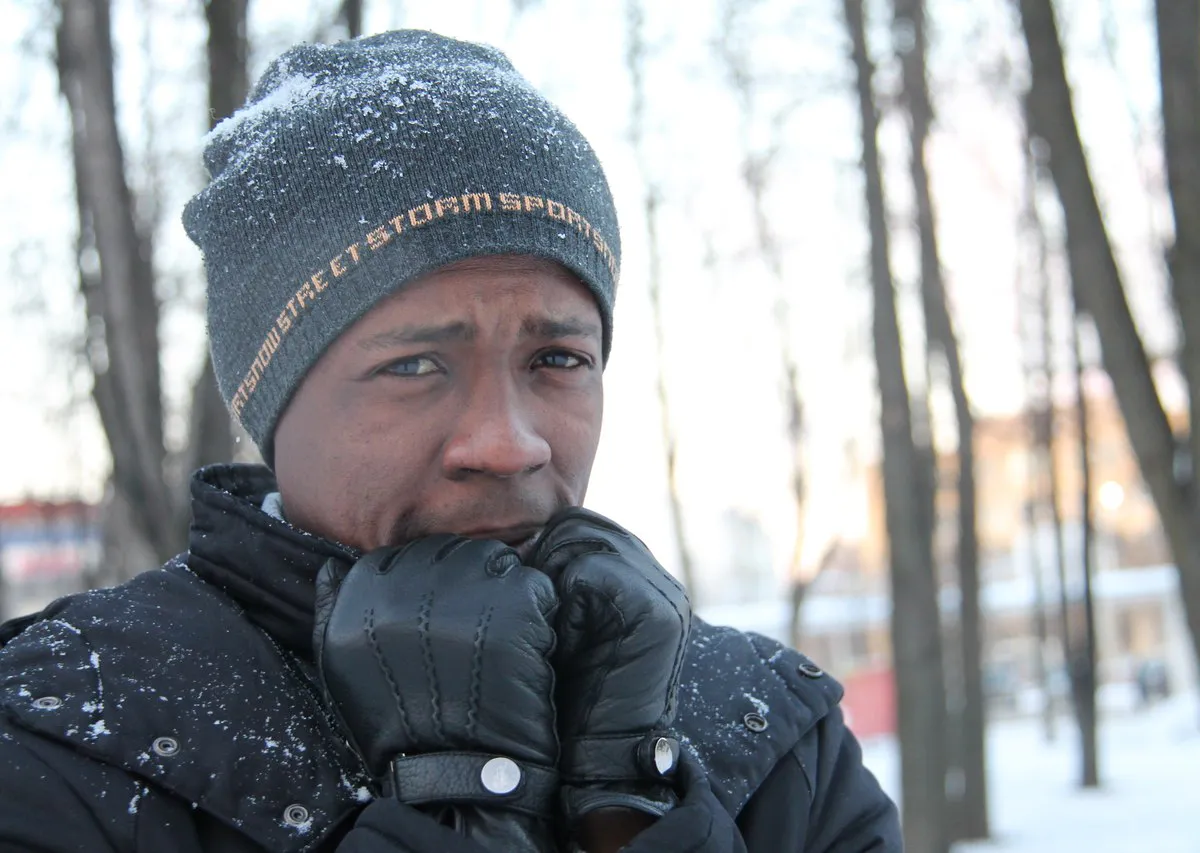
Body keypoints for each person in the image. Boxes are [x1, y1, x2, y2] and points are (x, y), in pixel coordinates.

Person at [0, 30, 900, 853]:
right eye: (416, 365)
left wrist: (632, 803)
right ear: (272, 400)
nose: (508, 444)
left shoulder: (769, 736)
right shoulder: (63, 744)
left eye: (557, 358)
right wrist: (456, 801)